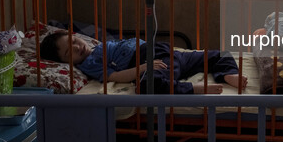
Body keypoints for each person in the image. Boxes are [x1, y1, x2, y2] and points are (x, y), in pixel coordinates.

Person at [41, 31, 248, 94]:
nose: (77, 47)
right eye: (70, 52)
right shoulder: (87, 64)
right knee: (149, 86)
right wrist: (143, 67)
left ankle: (228, 74)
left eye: (74, 41)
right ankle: (193, 89)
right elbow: (114, 76)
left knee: (220, 54)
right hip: (147, 59)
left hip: (162, 51)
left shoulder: (95, 45)